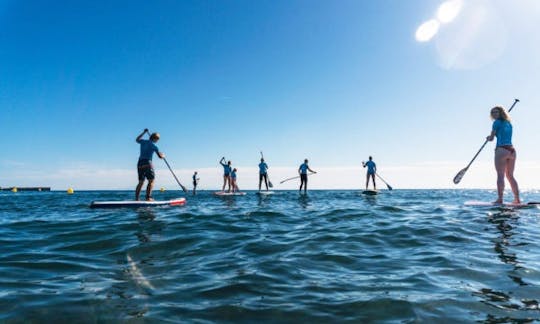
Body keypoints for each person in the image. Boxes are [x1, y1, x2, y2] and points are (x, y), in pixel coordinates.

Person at [486, 106, 520, 204]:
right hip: (512, 151)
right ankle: (517, 199)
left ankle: (500, 199)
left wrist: (488, 137)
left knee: (500, 175)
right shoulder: (509, 123)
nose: (494, 114)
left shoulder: (496, 123)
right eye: (493, 113)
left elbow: (492, 138)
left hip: (501, 149)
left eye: (496, 112)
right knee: (510, 175)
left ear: (501, 112)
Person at [135, 129, 164, 201]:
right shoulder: (154, 146)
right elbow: (160, 157)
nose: (157, 141)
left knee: (141, 182)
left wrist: (144, 132)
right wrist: (163, 156)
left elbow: (137, 139)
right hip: (148, 163)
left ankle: (137, 199)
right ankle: (148, 198)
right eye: (157, 139)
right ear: (155, 139)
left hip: (140, 163)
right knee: (151, 180)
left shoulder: (143, 142)